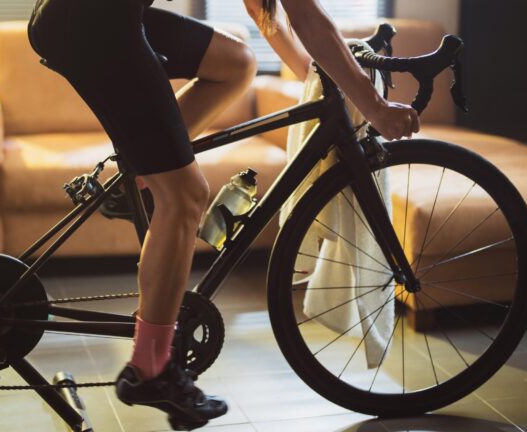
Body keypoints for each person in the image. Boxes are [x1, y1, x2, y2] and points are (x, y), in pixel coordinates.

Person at [27, 0, 419, 428]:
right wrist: (374, 106)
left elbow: (264, 12)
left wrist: (321, 79)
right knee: (186, 195)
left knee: (236, 62)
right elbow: (306, 15)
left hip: (94, 17)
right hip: (93, 20)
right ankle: (150, 370)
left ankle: (136, 176)